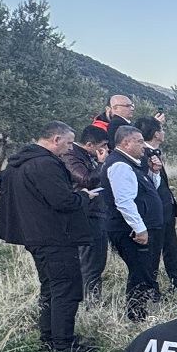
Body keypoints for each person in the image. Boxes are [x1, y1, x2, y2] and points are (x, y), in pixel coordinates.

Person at [0, 121, 96, 352]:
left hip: (34, 235)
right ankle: (63, 345)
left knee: (51, 288)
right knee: (66, 290)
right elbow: (63, 201)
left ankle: (50, 337)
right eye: (68, 143)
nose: (70, 149)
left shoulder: (19, 161)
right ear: (55, 139)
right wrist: (85, 197)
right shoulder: (45, 164)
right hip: (54, 237)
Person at [102, 124, 162, 321]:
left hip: (141, 227)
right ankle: (136, 316)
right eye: (139, 141)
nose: (144, 146)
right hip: (129, 231)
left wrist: (154, 172)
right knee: (139, 272)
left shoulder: (133, 163)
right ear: (126, 143)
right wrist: (140, 228)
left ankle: (139, 312)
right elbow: (124, 201)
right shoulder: (120, 165)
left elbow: (148, 190)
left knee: (144, 270)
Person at [136, 116, 177, 295]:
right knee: (154, 250)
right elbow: (147, 186)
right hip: (155, 212)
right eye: (161, 130)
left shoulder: (153, 153)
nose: (163, 133)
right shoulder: (144, 157)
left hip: (166, 210)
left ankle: (176, 281)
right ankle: (152, 288)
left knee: (171, 248)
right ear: (157, 134)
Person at [63, 125, 110, 301]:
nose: (105, 149)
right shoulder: (72, 156)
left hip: (97, 213)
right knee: (90, 263)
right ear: (90, 144)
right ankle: (90, 301)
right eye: (103, 146)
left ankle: (93, 298)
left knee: (98, 261)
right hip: (85, 215)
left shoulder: (86, 156)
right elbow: (86, 180)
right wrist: (101, 163)